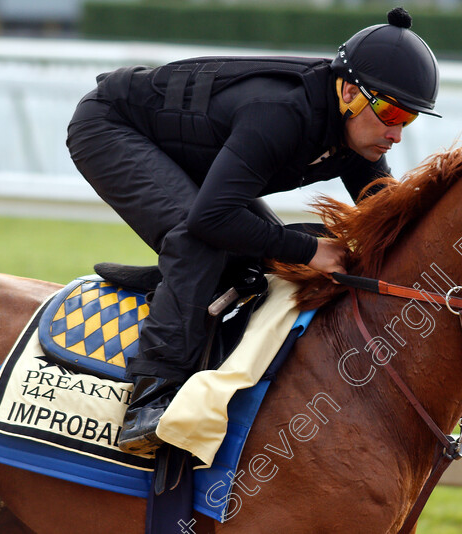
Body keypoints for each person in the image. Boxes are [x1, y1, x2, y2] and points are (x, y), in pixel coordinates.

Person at [66, 7, 440, 456]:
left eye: (409, 119)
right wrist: (308, 250)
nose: (396, 134)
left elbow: (388, 219)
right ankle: (149, 400)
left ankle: (184, 304)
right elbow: (210, 219)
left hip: (184, 145)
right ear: (348, 92)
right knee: (198, 240)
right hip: (112, 125)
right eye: (392, 113)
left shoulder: (359, 135)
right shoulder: (281, 113)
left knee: (266, 244)